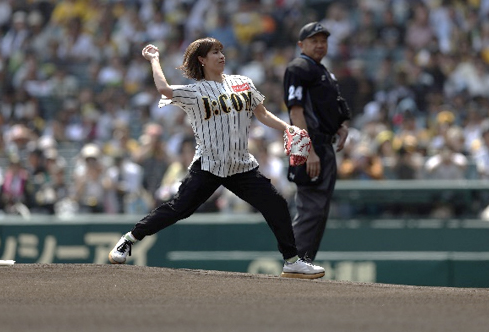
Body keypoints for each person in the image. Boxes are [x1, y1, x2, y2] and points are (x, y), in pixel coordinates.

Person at [108, 37, 325, 279]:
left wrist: (287, 127)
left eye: (221, 51)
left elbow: (261, 113)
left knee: (276, 204)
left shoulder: (243, 83)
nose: (221, 55)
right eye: (214, 52)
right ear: (201, 59)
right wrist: (154, 59)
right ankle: (129, 238)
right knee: (178, 209)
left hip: (241, 165)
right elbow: (164, 89)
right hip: (209, 165)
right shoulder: (195, 92)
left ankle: (292, 261)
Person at [283, 22, 351, 263]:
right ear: (301, 45)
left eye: (323, 40)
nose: (320, 44)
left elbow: (333, 106)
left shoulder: (323, 71)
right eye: (314, 40)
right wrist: (308, 150)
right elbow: (296, 113)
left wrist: (342, 125)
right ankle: (295, 262)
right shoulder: (298, 67)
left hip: (324, 146)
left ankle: (305, 261)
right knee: (310, 207)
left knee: (319, 210)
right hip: (308, 145)